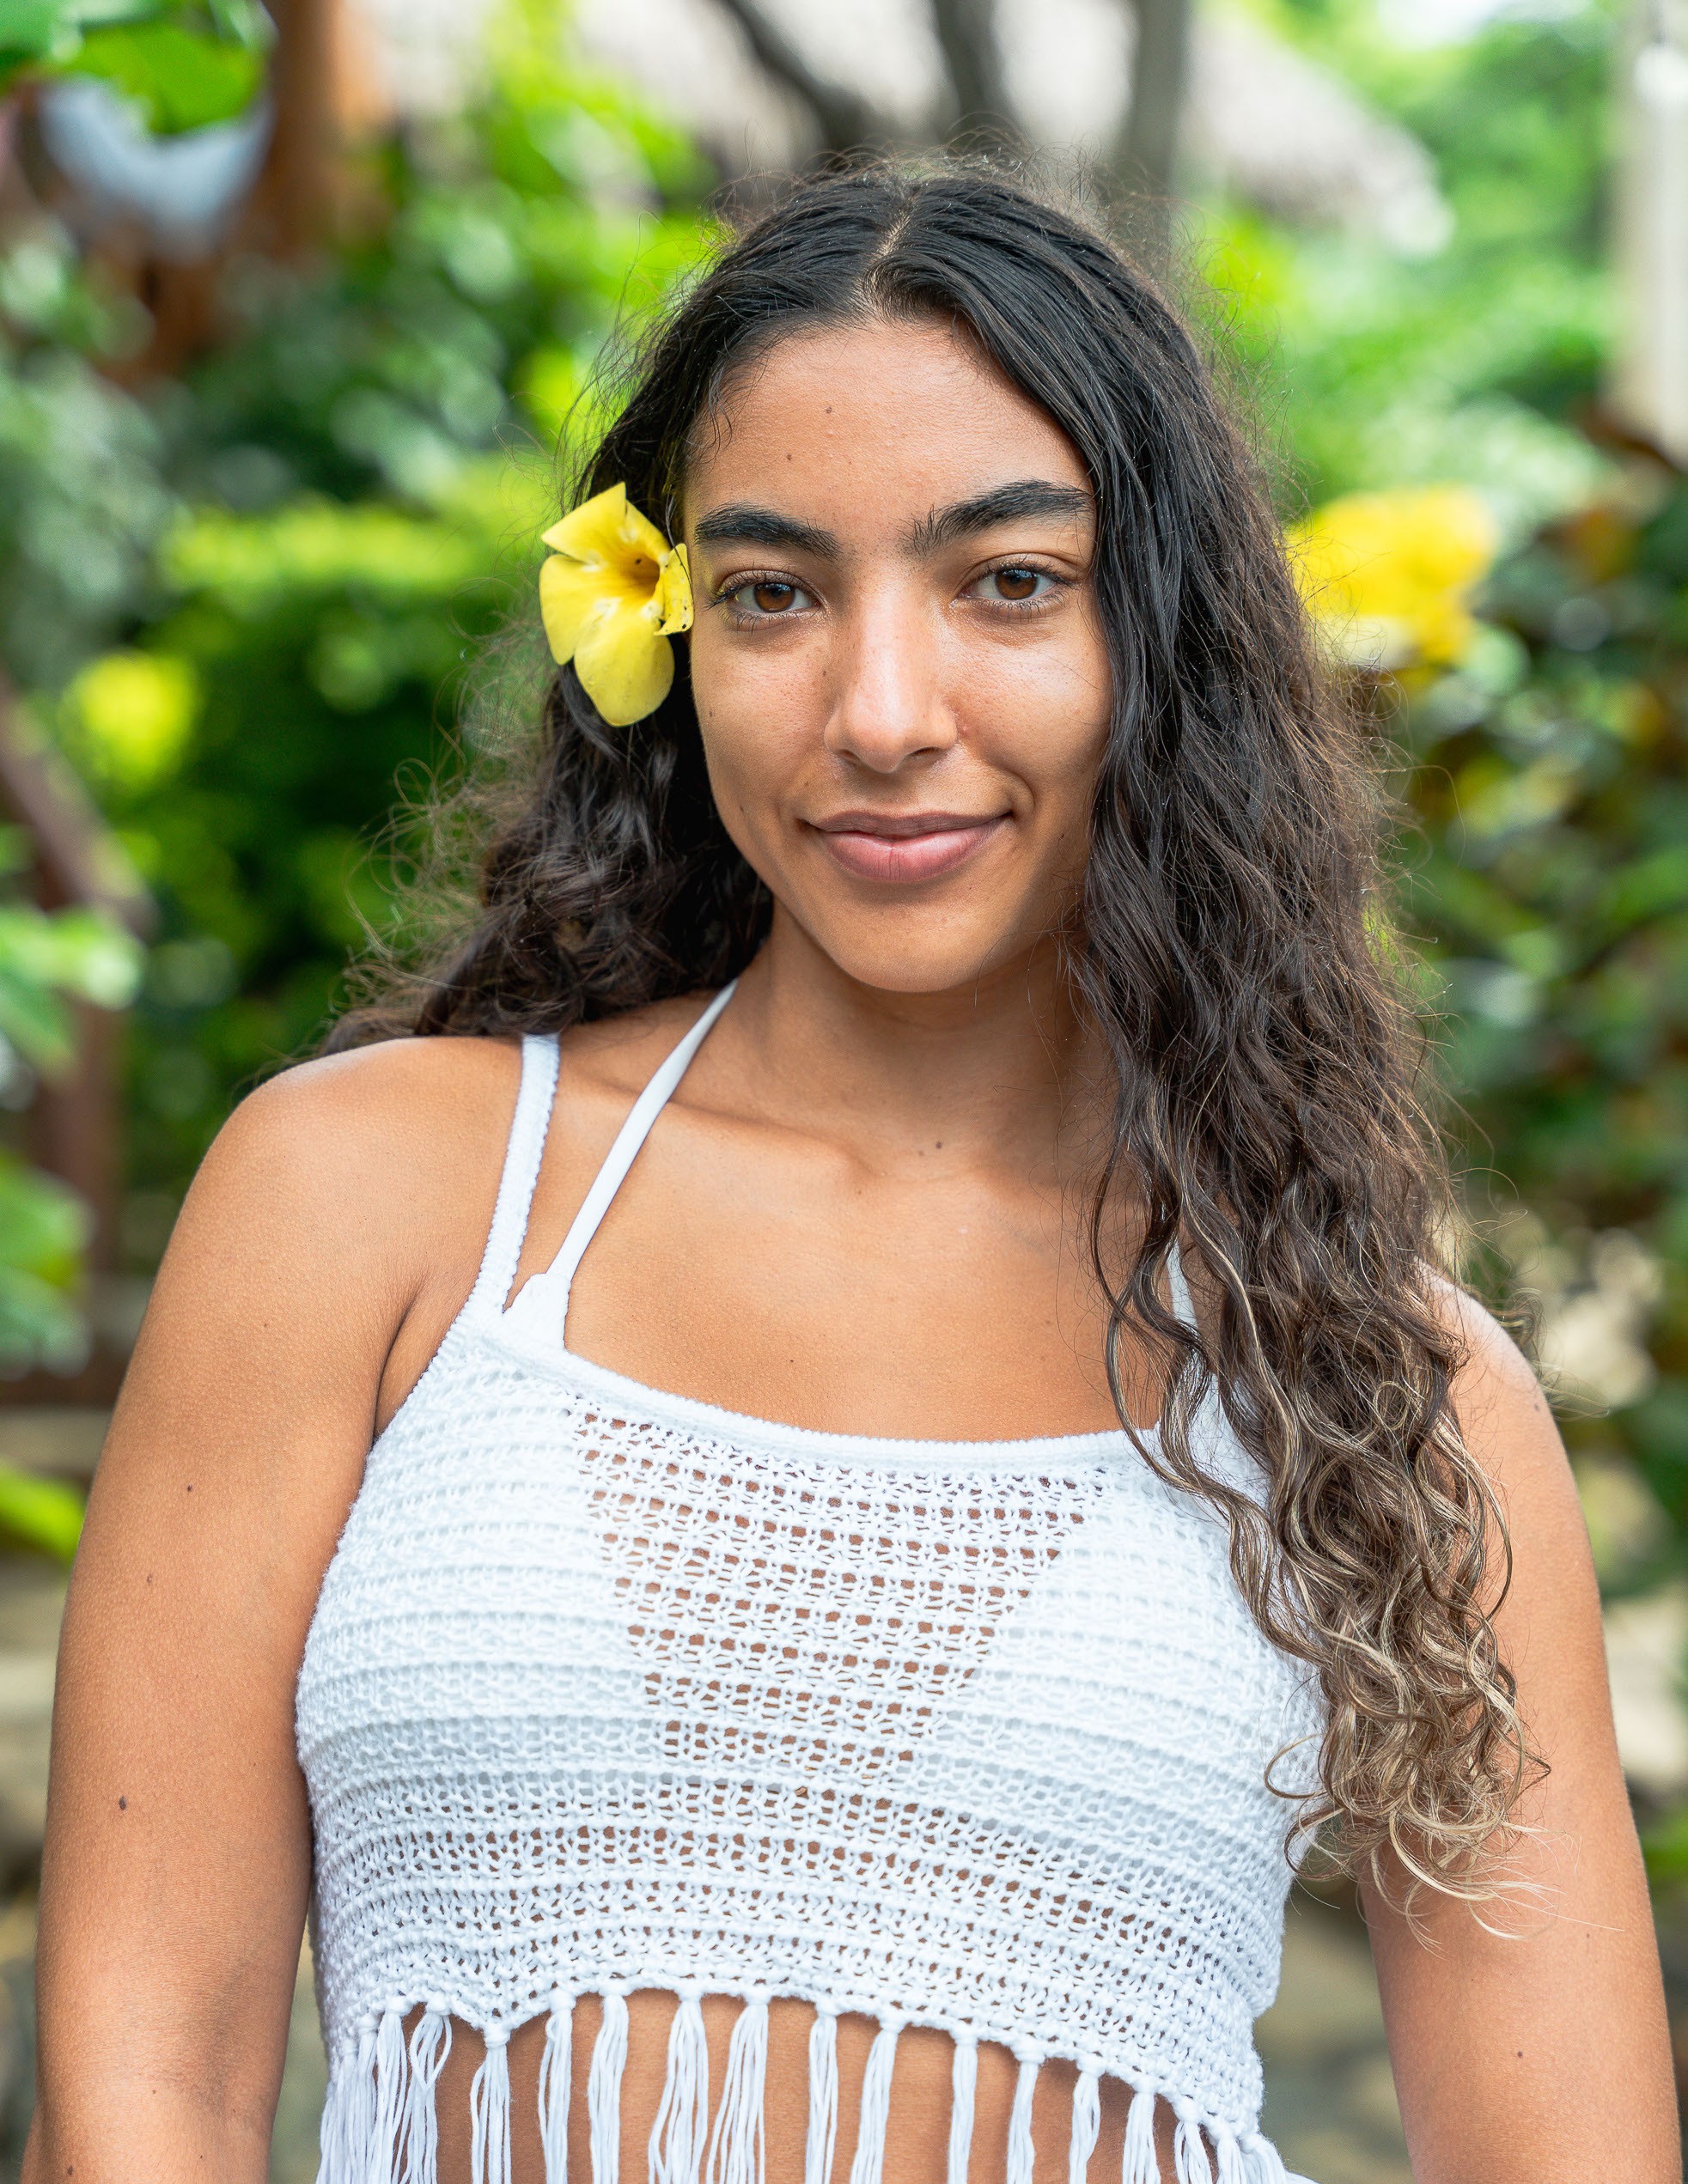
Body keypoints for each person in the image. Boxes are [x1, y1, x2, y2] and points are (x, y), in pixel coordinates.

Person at [24, 162, 1676, 2184]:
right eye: (773, 593)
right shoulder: (368, 1204)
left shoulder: (1377, 1391)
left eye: (1006, 584)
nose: (880, 716)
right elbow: (144, 2075)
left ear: (1162, 644)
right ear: (662, 632)